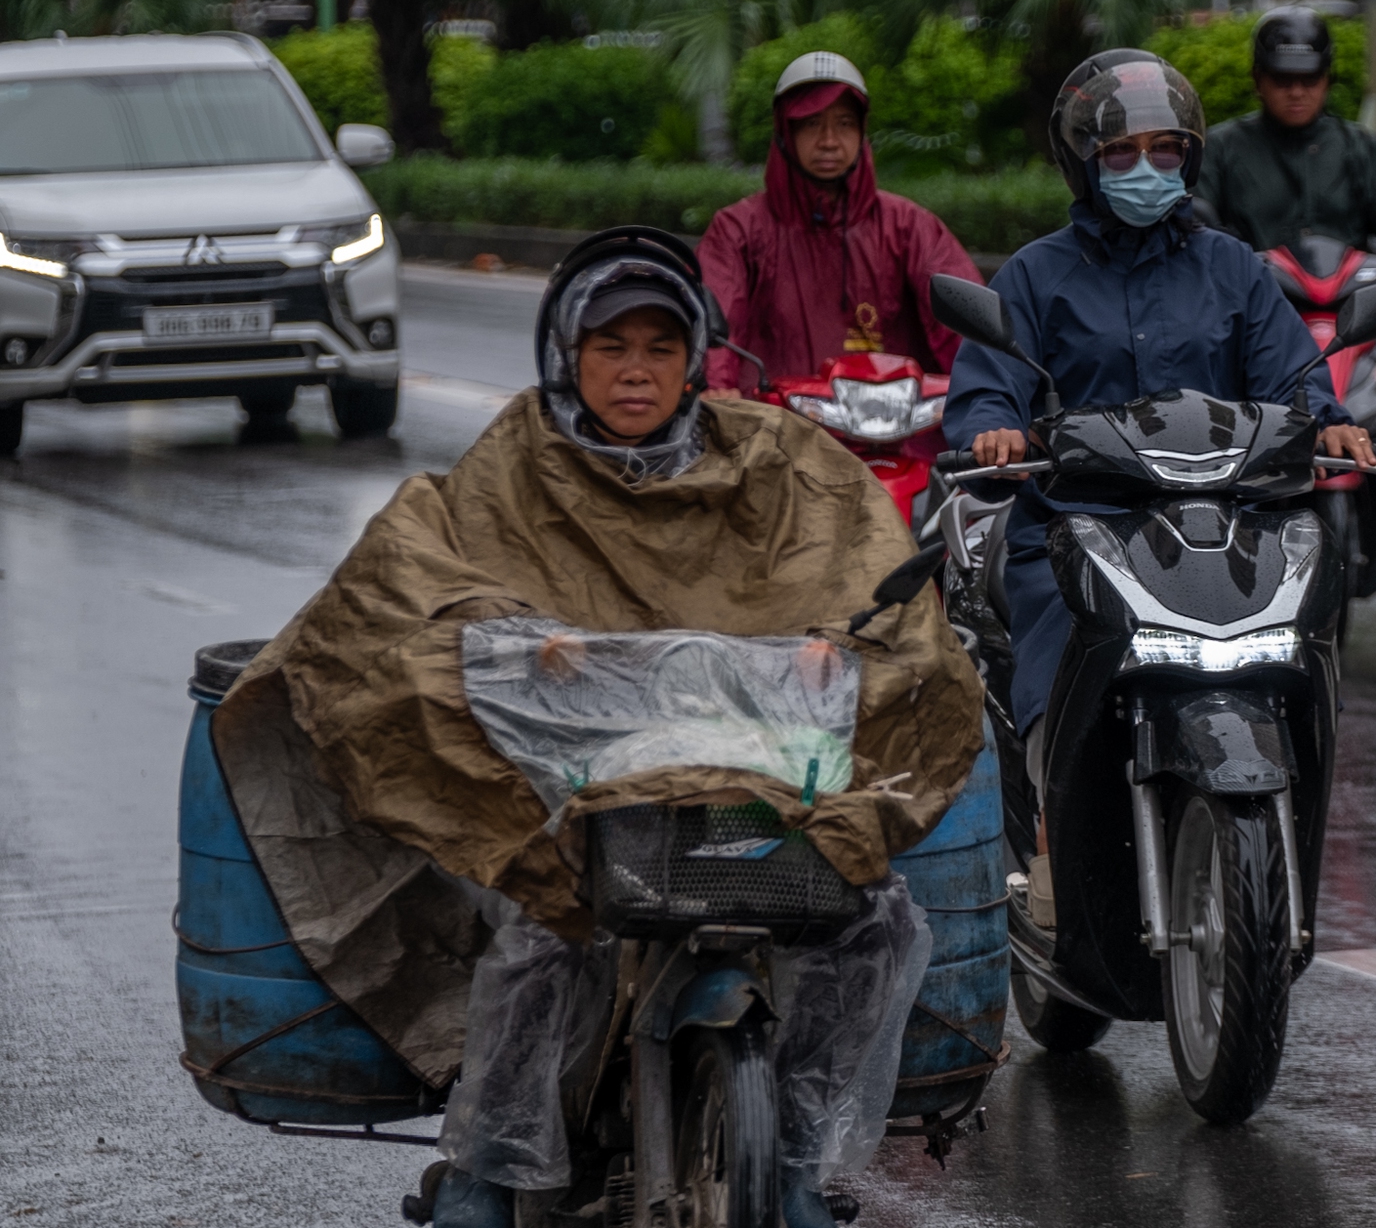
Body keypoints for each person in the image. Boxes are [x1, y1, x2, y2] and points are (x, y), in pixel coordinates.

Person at [207, 227, 983, 1228]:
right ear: (567, 355)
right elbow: (419, 572)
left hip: (754, 788)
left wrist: (837, 642)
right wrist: (508, 637)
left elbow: (862, 570)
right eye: (610, 346)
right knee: (548, 926)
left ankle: (795, 1160)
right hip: (575, 797)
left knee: (873, 922)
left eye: (660, 347)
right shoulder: (515, 464)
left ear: (695, 358)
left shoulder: (776, 460)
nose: (635, 370)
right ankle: (490, 1169)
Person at [943, 52, 1373, 885]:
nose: (1146, 169)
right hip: (1077, 531)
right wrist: (995, 430)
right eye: (1121, 154)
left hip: (1226, 527)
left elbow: (1293, 375)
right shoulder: (1035, 275)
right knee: (1049, 673)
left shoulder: (1234, 268)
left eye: (1165, 150)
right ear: (1082, 162)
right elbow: (990, 388)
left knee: (1297, 642)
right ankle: (1047, 844)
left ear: (1192, 155)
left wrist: (1335, 424)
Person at [1195, 5, 1376, 572]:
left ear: (1328, 79)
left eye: (1309, 79)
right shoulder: (1226, 150)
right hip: (1258, 326)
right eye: (1283, 80)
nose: (1297, 92)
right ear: (1259, 80)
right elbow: (1196, 218)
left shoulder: (1359, 149)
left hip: (1351, 322)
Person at [700, 51, 982, 402]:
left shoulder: (909, 226)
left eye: (845, 123)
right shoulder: (738, 231)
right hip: (772, 435)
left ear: (863, 131)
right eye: (812, 123)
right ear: (785, 132)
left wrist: (989, 396)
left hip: (897, 435)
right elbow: (716, 321)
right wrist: (716, 389)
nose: (829, 141)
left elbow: (968, 328)